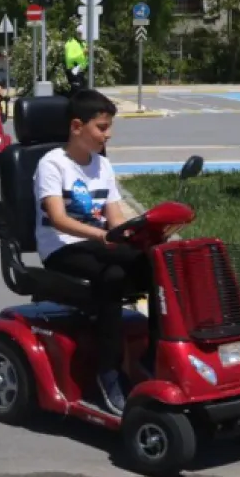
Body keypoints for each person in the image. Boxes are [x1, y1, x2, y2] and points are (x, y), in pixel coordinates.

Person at [32, 89, 151, 416]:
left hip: (98, 245)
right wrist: (104, 237)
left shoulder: (102, 166)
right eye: (101, 127)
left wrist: (137, 235)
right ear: (76, 126)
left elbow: (116, 220)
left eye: (109, 127)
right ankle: (108, 374)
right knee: (114, 275)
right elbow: (58, 219)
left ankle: (155, 351)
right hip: (61, 248)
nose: (107, 134)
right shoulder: (52, 164)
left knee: (154, 261)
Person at [64, 29, 88, 96]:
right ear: (76, 33)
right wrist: (83, 52)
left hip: (80, 70)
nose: (82, 36)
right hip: (73, 70)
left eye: (82, 34)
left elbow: (83, 58)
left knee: (83, 92)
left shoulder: (82, 43)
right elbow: (70, 58)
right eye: (80, 34)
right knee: (76, 92)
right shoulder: (71, 43)